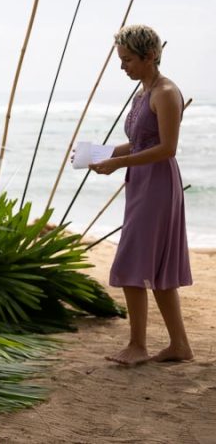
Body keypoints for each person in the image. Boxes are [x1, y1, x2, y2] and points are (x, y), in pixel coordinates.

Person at [89, 24, 193, 365]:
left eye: (128, 59)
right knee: (158, 267)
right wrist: (101, 155)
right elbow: (140, 142)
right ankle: (179, 346)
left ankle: (137, 345)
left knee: (132, 260)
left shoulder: (165, 92)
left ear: (150, 56)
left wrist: (119, 164)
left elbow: (167, 148)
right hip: (141, 184)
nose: (123, 67)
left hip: (158, 185)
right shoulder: (143, 92)